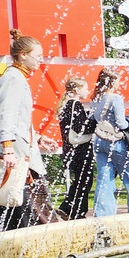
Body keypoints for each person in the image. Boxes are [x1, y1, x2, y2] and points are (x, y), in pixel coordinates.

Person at [0, 30, 49, 234]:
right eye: (37, 55)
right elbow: (5, 116)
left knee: (10, 202)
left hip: (20, 152)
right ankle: (8, 247)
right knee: (15, 202)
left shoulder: (17, 77)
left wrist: (37, 139)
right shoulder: (13, 79)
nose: (41, 59)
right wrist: (8, 149)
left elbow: (18, 120)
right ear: (23, 55)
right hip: (17, 155)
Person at [90, 68, 129, 217]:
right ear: (112, 81)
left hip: (100, 141)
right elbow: (121, 123)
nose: (120, 83)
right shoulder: (115, 98)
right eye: (118, 80)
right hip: (117, 142)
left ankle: (102, 215)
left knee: (104, 178)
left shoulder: (95, 98)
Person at [57, 75, 96, 221]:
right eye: (85, 88)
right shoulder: (76, 105)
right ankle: (78, 213)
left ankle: (66, 207)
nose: (88, 91)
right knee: (85, 180)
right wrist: (95, 122)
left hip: (71, 150)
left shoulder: (65, 105)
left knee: (79, 180)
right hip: (81, 150)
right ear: (77, 89)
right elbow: (82, 128)